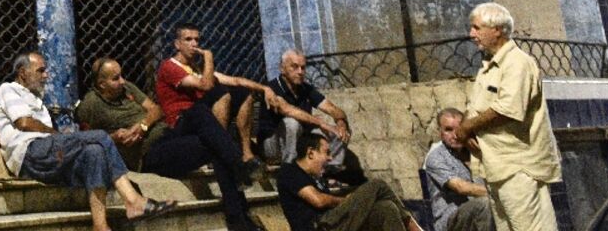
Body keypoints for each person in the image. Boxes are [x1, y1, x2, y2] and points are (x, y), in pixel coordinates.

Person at [0, 51, 176, 231]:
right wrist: (58, 135)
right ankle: (133, 200)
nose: (46, 75)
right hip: (28, 153)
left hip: (47, 155)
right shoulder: (9, 89)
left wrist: (58, 139)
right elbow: (24, 122)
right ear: (22, 73)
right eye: (40, 70)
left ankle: (100, 225)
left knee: (94, 153)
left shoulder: (36, 99)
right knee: (100, 136)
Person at [78, 56, 258, 231]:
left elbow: (157, 109)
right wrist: (115, 137)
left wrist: (142, 126)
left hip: (166, 134)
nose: (123, 80)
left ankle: (239, 171)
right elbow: (86, 139)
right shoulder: (90, 105)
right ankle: (238, 204)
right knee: (214, 144)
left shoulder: (128, 89)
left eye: (122, 75)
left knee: (200, 112)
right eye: (116, 78)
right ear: (102, 84)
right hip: (149, 154)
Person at [454, 3, 560, 231]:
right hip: (497, 166)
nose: (472, 34)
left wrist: (465, 129)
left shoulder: (517, 63)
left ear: (497, 30)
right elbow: (477, 107)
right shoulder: (489, 66)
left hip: (518, 167)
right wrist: (467, 127)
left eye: (477, 27)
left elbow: (507, 109)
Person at [155, 22, 269, 180]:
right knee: (220, 93)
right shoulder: (169, 67)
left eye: (196, 39)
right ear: (177, 44)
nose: (194, 44)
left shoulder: (197, 68)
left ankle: (246, 152)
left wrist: (265, 89)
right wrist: (209, 58)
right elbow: (206, 85)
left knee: (243, 93)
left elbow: (235, 81)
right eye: (188, 39)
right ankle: (218, 152)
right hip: (182, 121)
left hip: (203, 118)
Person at [277, 132, 424, 231]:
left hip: (334, 222)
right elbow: (318, 200)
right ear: (310, 153)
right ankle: (415, 228)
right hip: (319, 226)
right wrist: (349, 200)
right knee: (377, 185)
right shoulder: (289, 172)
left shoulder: (317, 178)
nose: (330, 158)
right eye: (326, 153)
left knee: (386, 208)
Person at [258, 48, 365, 185]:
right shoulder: (272, 88)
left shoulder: (305, 88)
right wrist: (322, 124)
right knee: (291, 123)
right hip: (272, 146)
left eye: (303, 67)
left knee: (337, 131)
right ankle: (289, 172)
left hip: (299, 141)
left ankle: (329, 172)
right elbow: (289, 110)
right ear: (282, 69)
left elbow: (333, 109)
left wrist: (340, 123)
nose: (300, 72)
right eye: (295, 67)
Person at [423, 108, 491, 231]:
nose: (455, 135)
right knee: (484, 204)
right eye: (448, 130)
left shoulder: (476, 153)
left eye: (459, 128)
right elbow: (461, 187)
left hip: (481, 215)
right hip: (451, 220)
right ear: (440, 132)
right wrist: (498, 194)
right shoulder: (436, 157)